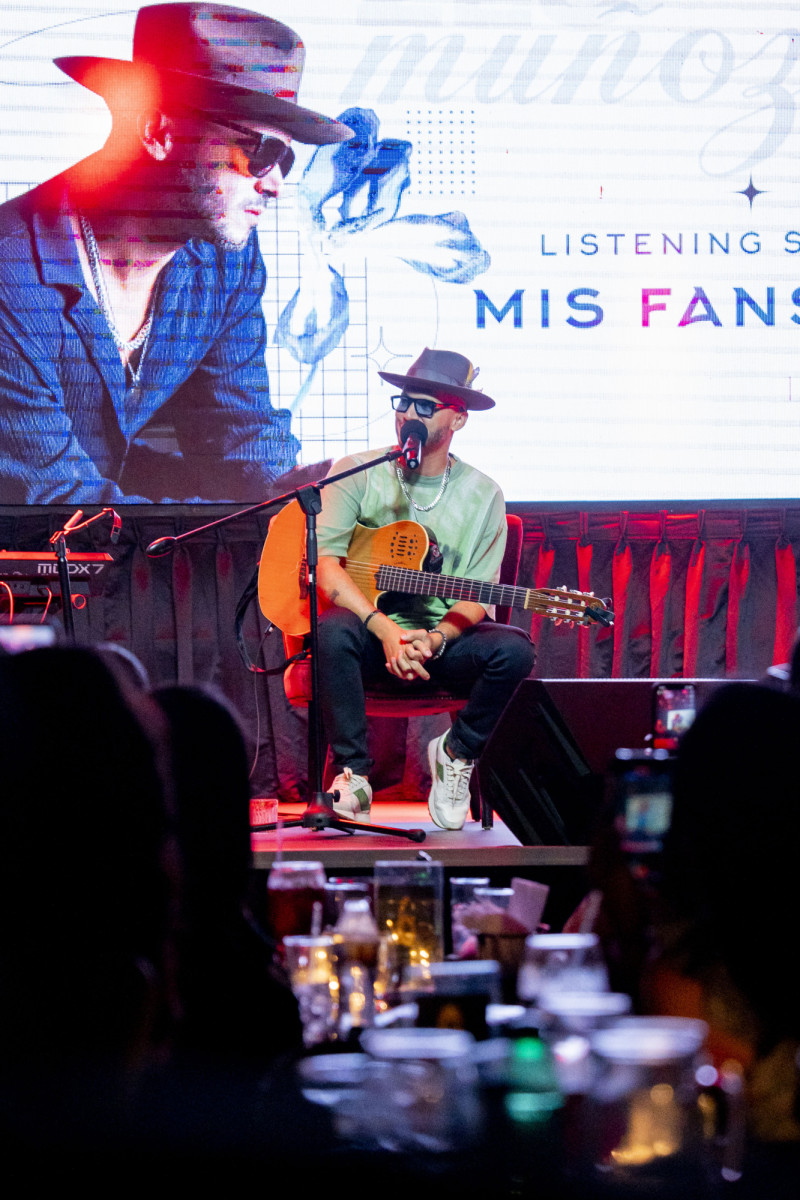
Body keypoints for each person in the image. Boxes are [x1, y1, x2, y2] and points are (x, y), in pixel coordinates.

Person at [0, 4, 352, 504]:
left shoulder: (228, 265)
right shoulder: (11, 276)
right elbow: (58, 499)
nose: (274, 184)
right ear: (158, 130)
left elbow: (236, 431)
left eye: (287, 159)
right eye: (261, 152)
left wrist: (294, 495)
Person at [315, 347, 535, 831]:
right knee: (331, 631)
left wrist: (434, 639)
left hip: (441, 643)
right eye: (403, 402)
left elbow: (476, 595)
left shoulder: (484, 495)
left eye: (424, 405)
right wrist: (383, 627)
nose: (408, 414)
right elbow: (326, 567)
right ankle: (354, 774)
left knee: (514, 650)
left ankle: (455, 752)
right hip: (371, 638)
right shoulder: (357, 473)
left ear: (457, 419)